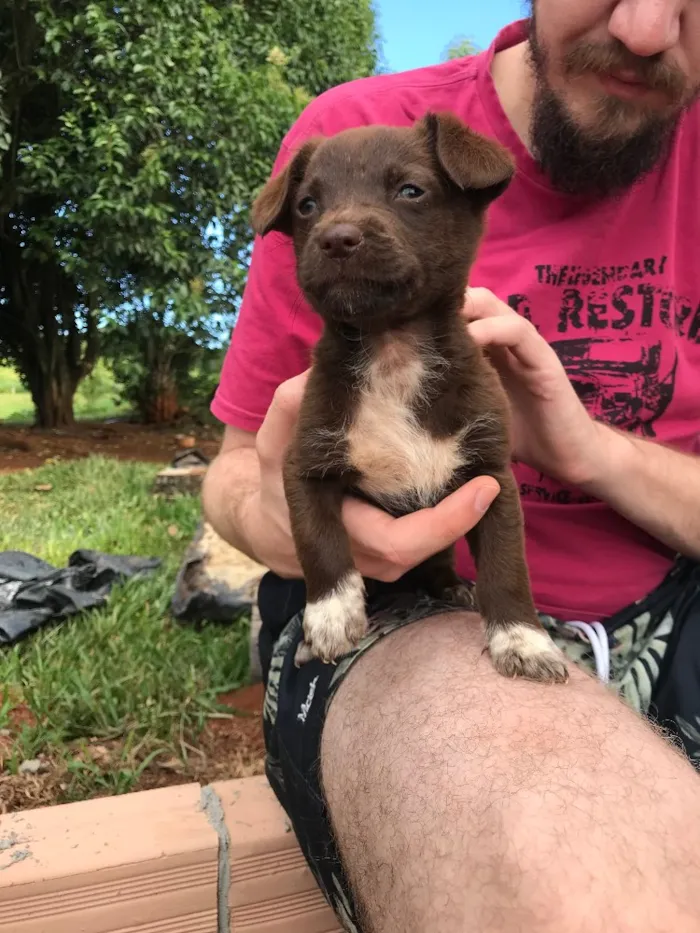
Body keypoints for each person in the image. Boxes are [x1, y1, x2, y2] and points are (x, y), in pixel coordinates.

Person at [203, 2, 700, 930]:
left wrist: (587, 450)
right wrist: (289, 528)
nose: (644, 25)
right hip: (411, 618)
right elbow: (234, 477)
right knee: (565, 872)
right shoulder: (351, 130)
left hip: (677, 596)